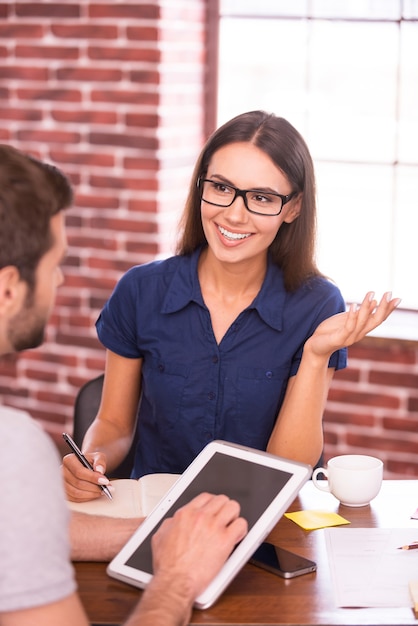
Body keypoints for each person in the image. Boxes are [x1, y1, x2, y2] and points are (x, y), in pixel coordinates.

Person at [63, 110, 400, 502]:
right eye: (222, 188)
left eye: (261, 197)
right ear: (201, 185)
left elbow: (290, 467)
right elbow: (114, 423)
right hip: (153, 514)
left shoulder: (317, 304)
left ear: (292, 208)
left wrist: (314, 354)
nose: (234, 215)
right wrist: (91, 461)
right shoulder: (141, 290)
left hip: (263, 519)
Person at [0, 144, 248, 626]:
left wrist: (160, 534)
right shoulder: (11, 448)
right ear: (8, 290)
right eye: (55, 265)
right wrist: (175, 580)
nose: (61, 281)